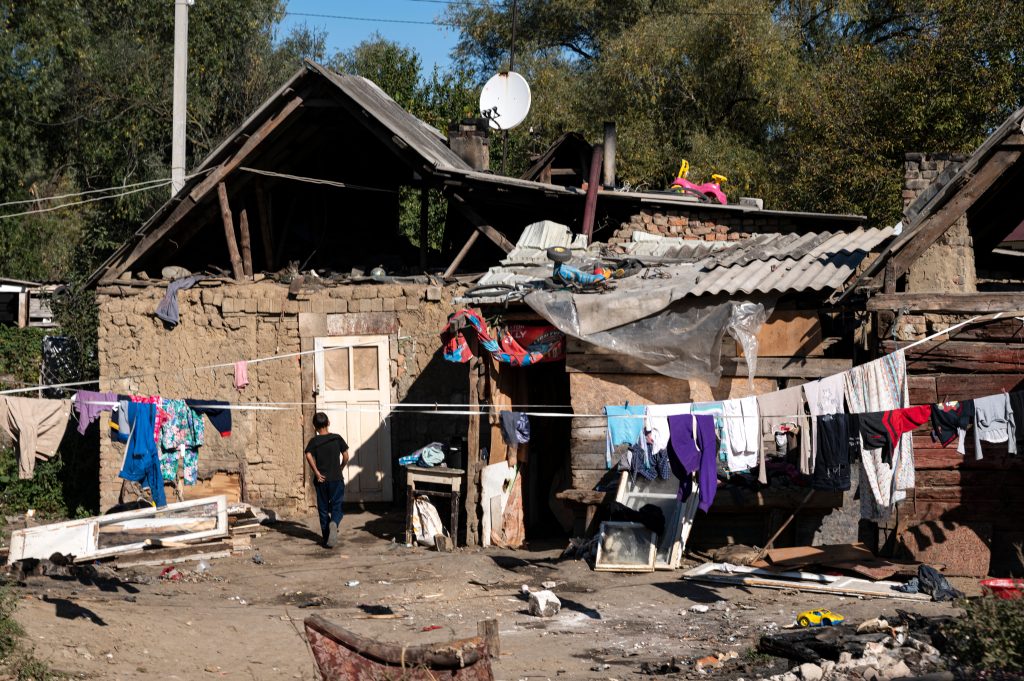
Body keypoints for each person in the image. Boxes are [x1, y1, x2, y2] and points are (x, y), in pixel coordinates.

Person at [304, 412, 349, 548]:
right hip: (336, 478)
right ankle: (334, 522)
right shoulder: (336, 438)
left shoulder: (314, 441)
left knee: (323, 509)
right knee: (337, 506)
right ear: (328, 423)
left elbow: (308, 454)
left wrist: (317, 472)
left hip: (321, 480)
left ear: (314, 426)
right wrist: (340, 467)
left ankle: (326, 538)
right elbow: (346, 455)